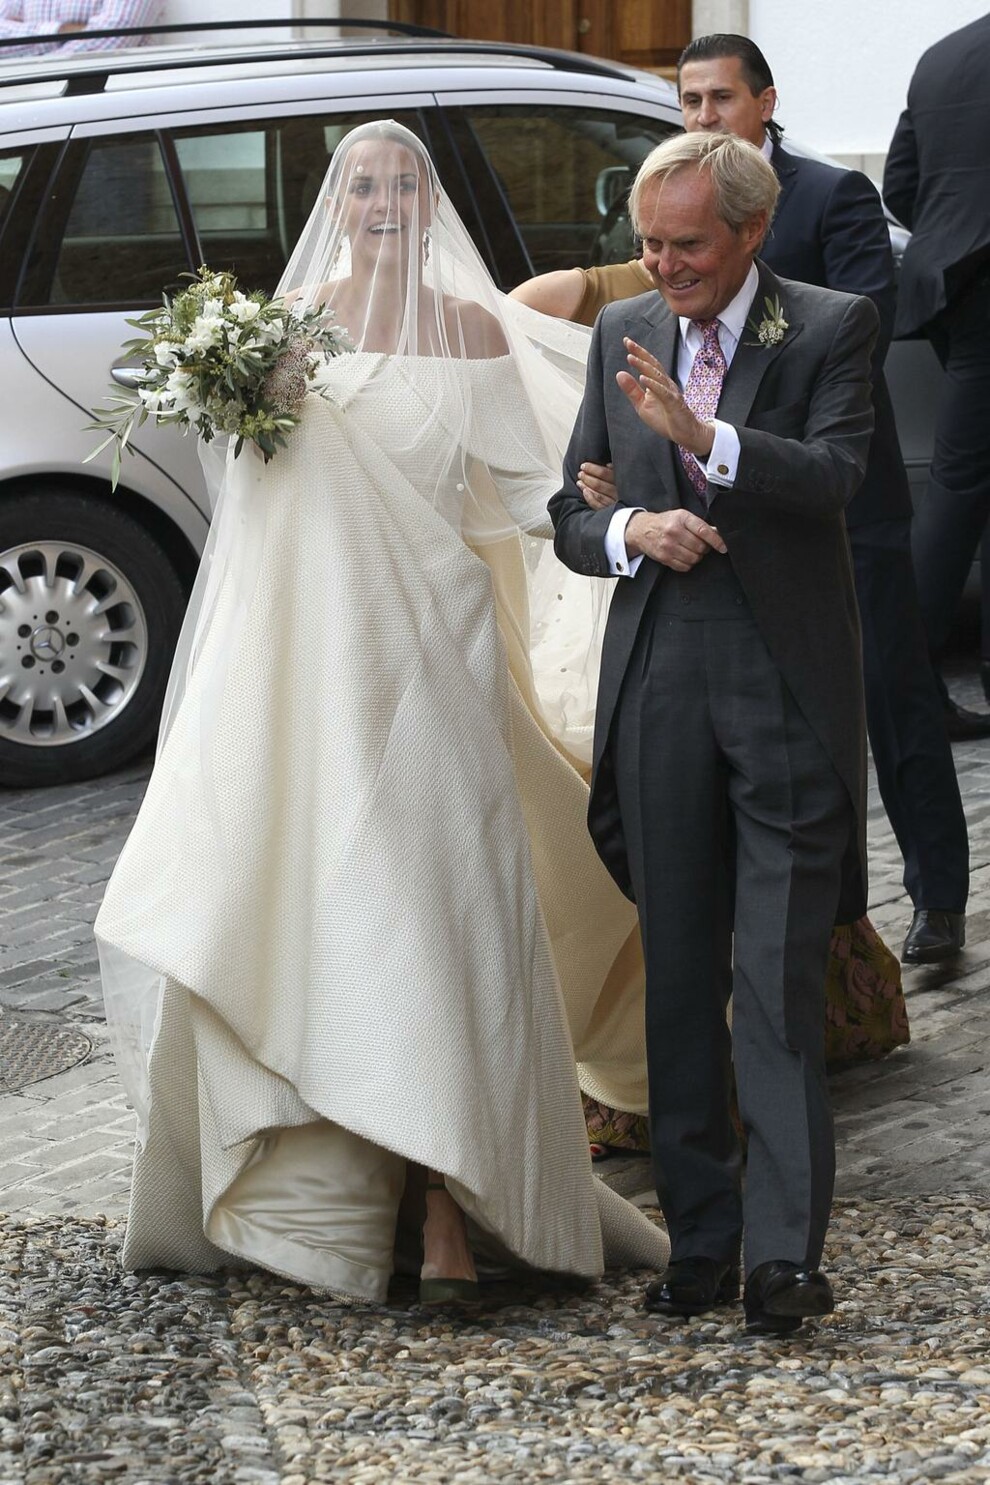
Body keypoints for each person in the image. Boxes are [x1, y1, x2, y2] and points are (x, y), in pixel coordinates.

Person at [94, 120, 669, 1304]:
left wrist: (615, 514)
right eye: (364, 186)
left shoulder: (473, 331)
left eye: (405, 184)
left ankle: (450, 1197)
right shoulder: (281, 333)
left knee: (448, 922)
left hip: (438, 658)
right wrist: (240, 403)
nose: (386, 203)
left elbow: (528, 493)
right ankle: (375, 1203)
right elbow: (252, 509)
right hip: (320, 672)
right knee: (343, 914)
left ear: (430, 203)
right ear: (338, 204)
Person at [518, 31, 971, 969]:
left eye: (719, 98)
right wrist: (635, 470)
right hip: (705, 554)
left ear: (764, 103)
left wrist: (718, 423)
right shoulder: (665, 208)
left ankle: (935, 893)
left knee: (890, 695)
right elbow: (634, 312)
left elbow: (854, 329)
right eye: (688, 100)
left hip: (831, 509)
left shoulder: (829, 197)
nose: (702, 114)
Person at [549, 131, 877, 1334]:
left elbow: (837, 476)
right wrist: (628, 528)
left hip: (780, 680)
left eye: (687, 244)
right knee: (680, 972)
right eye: (649, 244)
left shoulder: (832, 326)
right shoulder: (617, 332)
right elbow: (568, 510)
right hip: (660, 679)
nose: (664, 265)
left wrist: (706, 443)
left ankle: (785, 1257)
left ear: (750, 232)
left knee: (775, 980)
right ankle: (701, 1242)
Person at [884, 17, 990, 728]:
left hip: (947, 282)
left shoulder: (944, 54)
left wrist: (958, 230)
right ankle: (904, 688)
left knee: (969, 480)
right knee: (959, 483)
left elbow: (900, 184)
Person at [0, 0, 162, 55]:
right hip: (32, 100)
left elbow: (113, 39)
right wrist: (58, 32)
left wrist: (32, 65)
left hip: (107, 104)